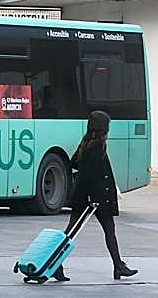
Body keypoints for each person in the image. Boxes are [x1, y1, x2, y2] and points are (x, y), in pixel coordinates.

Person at [53, 110, 138, 282]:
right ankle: (118, 266)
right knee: (108, 230)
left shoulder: (86, 142)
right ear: (103, 127)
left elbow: (75, 163)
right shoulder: (97, 145)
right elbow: (89, 174)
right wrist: (93, 197)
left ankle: (56, 264)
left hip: (83, 195)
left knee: (71, 231)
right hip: (96, 197)